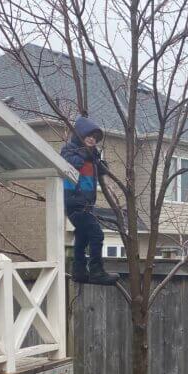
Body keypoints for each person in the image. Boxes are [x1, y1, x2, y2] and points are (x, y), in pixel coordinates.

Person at [61, 116, 119, 285]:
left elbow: (102, 170)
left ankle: (79, 271)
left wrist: (98, 160)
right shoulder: (69, 150)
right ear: (79, 134)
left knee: (82, 237)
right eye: (89, 136)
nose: (92, 140)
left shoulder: (92, 156)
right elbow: (73, 164)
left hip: (86, 205)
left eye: (95, 138)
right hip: (74, 203)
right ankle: (96, 271)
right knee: (96, 234)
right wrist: (87, 153)